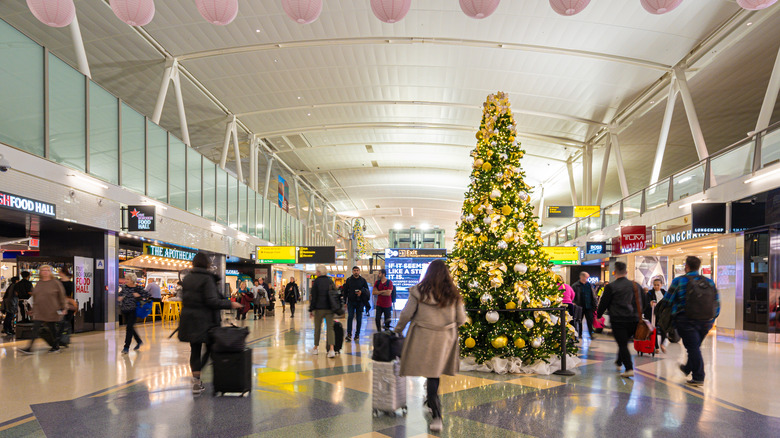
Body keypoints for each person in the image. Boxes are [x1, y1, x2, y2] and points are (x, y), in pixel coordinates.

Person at [394, 260, 466, 432]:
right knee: (434, 374)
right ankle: (432, 408)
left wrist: (397, 330)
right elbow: (461, 320)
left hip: (422, 337)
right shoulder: (454, 294)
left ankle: (436, 413)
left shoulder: (418, 291)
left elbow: (406, 314)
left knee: (429, 372)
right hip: (444, 339)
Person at [179, 253, 242, 394]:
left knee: (194, 350)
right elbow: (212, 301)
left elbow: (184, 299)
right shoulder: (207, 279)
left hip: (189, 320)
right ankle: (218, 380)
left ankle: (196, 381)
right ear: (207, 264)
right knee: (211, 348)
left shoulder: (187, 278)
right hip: (205, 320)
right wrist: (230, 304)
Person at [664, 256, 719, 387]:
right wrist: (712, 319)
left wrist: (668, 315)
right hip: (706, 321)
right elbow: (716, 302)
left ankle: (699, 377)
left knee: (693, 347)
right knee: (694, 346)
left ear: (686, 267)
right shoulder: (709, 282)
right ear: (698, 267)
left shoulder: (679, 281)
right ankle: (687, 368)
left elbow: (668, 300)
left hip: (686, 320)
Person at [597, 262, 645, 378]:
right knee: (623, 341)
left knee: (622, 343)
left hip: (618, 320)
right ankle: (619, 361)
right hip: (634, 319)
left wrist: (598, 315)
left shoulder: (611, 287)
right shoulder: (635, 285)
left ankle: (628, 368)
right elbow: (644, 301)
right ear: (626, 272)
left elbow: (604, 302)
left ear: (614, 273)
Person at [18, 265, 68, 354]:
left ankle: (56, 346)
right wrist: (33, 310)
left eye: (47, 270)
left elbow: (62, 296)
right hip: (40, 311)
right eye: (43, 270)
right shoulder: (39, 283)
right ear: (40, 272)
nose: (45, 272)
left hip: (52, 310)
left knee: (52, 329)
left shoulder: (55, 283)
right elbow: (35, 297)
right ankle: (30, 348)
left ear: (50, 272)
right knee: (35, 328)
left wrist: (64, 307)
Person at [117, 273, 150, 354]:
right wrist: (120, 297)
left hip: (133, 310)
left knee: (129, 328)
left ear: (132, 280)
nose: (126, 281)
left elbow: (147, 295)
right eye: (126, 279)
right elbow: (120, 294)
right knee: (130, 327)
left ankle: (126, 347)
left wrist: (138, 295)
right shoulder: (124, 287)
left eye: (128, 279)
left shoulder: (138, 288)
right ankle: (139, 341)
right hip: (125, 309)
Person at [309, 265, 337, 358]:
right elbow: (335, 293)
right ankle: (332, 350)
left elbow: (314, 296)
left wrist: (311, 309)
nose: (316, 273)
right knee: (330, 328)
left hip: (319, 308)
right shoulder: (330, 281)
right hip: (329, 308)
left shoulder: (316, 282)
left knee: (317, 328)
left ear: (319, 272)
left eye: (316, 272)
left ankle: (316, 348)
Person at [343, 266, 369, 342]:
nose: (356, 272)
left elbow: (367, 290)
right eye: (354, 270)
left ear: (359, 271)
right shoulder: (349, 280)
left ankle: (357, 334)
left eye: (357, 270)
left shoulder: (363, 280)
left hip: (360, 302)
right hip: (351, 301)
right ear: (352, 271)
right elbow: (345, 292)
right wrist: (345, 302)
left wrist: (361, 292)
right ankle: (349, 334)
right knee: (350, 317)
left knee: (359, 318)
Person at [572, 272, 598, 339]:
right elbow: (572, 295)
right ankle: (579, 334)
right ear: (582, 277)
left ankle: (591, 333)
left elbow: (593, 295)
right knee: (579, 320)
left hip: (589, 306)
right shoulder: (575, 285)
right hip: (579, 306)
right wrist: (574, 302)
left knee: (590, 320)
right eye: (586, 277)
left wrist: (595, 304)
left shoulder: (589, 285)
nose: (587, 279)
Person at [58, 267, 76, 346]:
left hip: (66, 304)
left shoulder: (61, 283)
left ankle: (64, 338)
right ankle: (62, 338)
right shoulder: (60, 282)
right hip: (61, 305)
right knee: (61, 320)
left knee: (65, 320)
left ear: (62, 273)